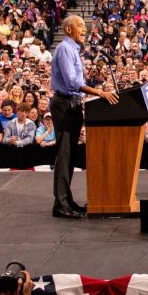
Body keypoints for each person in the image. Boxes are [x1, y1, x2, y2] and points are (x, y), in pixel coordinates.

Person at [48, 15, 118, 219]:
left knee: (69, 156)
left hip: (73, 104)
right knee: (64, 155)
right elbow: (72, 82)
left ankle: (65, 200)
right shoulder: (64, 49)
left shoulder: (73, 49)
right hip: (65, 104)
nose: (85, 30)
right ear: (69, 29)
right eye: (80, 26)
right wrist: (99, 93)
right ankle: (60, 205)